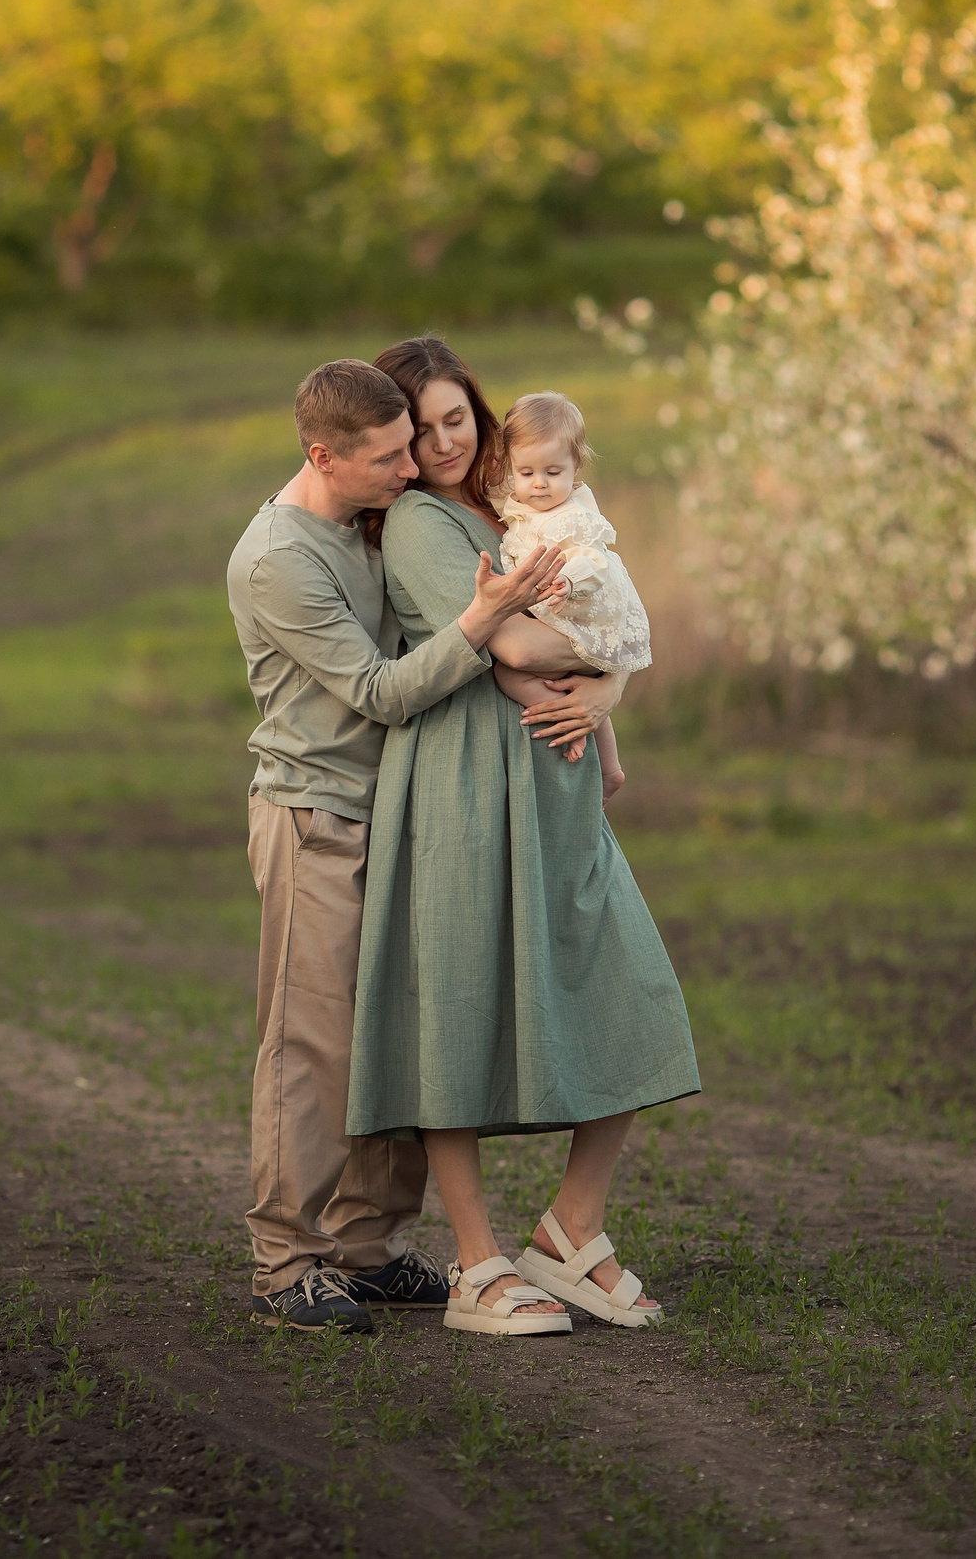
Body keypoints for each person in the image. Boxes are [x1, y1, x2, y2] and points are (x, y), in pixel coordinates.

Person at [352, 336, 701, 1336]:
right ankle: (476, 1264)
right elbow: (513, 641)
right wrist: (614, 656)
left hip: (552, 779)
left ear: (484, 417)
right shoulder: (419, 522)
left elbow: (580, 630)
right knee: (455, 1009)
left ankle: (569, 1230)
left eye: (456, 418)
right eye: (420, 429)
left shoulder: (515, 509)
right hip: (462, 785)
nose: (442, 442)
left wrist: (609, 691)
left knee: (630, 986)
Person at [224, 357, 568, 1332]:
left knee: (398, 1029)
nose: (410, 469)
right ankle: (285, 1263)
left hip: (402, 812)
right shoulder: (277, 559)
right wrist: (485, 617)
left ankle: (366, 1248)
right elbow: (378, 691)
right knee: (313, 1044)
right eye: (386, 458)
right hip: (316, 817)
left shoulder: (367, 522)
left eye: (409, 448)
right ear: (321, 455)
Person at [493, 390, 653, 802]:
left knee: (508, 675)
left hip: (579, 611)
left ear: (575, 466)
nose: (539, 483)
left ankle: (569, 727)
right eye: (526, 472)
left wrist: (569, 579)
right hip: (555, 615)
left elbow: (594, 562)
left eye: (553, 471)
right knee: (579, 684)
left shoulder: (575, 518)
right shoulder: (521, 500)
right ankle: (609, 768)